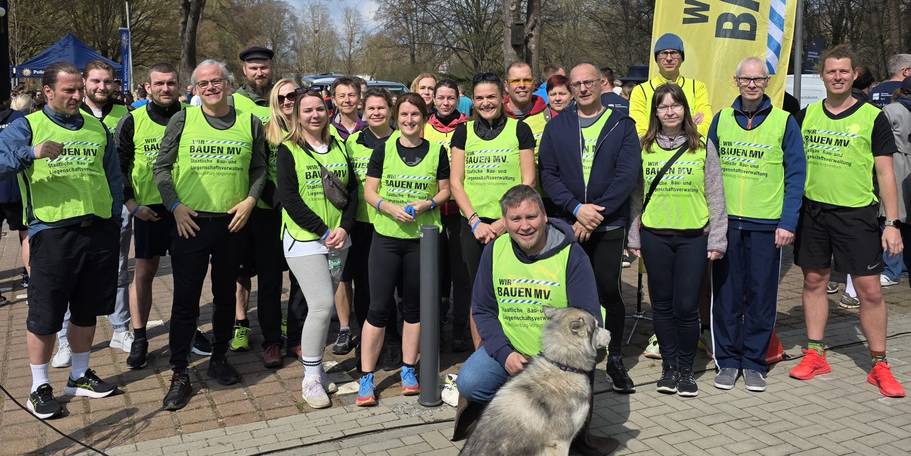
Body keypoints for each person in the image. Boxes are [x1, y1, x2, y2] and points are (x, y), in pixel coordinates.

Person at [0, 62, 124, 419]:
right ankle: (39, 386)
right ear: (48, 92)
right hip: (53, 232)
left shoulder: (97, 127)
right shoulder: (28, 125)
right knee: (46, 314)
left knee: (87, 310)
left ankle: (79, 375)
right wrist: (31, 153)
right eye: (67, 90)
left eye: (78, 90)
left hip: (97, 229)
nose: (75, 96)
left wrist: (113, 218)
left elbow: (112, 176)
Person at [453, 184, 614, 455]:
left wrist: (549, 368)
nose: (524, 226)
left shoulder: (571, 255)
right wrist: (505, 354)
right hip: (511, 350)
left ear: (544, 216)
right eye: (515, 219)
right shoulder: (495, 250)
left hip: (557, 362)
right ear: (505, 222)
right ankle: (513, 418)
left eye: (531, 217)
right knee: (470, 381)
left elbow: (589, 317)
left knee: (552, 421)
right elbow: (483, 309)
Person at [790, 45, 905, 398]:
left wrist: (892, 223)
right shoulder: (806, 115)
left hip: (857, 216)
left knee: (869, 290)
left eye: (844, 71)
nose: (837, 76)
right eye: (830, 71)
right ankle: (815, 353)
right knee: (814, 280)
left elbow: (886, 173)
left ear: (854, 74)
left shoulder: (873, 116)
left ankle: (879, 364)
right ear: (822, 76)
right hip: (814, 213)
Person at [154, 59, 267, 410]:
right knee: (185, 301)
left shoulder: (249, 122)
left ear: (229, 84)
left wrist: (250, 200)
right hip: (191, 223)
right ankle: (180, 373)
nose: (211, 88)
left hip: (232, 223)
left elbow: (260, 166)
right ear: (195, 89)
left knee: (224, 297)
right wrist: (174, 206)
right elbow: (161, 167)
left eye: (216, 81)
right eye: (203, 84)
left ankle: (219, 358)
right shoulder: (183, 119)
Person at [538, 63, 641, 393]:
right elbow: (549, 176)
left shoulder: (621, 125)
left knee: (608, 290)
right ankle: (572, 359)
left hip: (608, 224)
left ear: (601, 84)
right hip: (569, 223)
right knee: (570, 295)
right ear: (569, 88)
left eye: (589, 83)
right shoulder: (557, 127)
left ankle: (614, 359)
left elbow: (627, 175)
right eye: (577, 84)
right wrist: (577, 210)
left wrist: (596, 214)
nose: (583, 89)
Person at [708, 57, 806, 392]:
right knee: (726, 297)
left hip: (767, 225)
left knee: (762, 296)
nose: (752, 84)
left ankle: (753, 362)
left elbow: (796, 176)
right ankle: (728, 360)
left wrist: (788, 221)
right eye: (746, 79)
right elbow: (707, 173)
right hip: (726, 225)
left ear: (766, 82)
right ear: (736, 81)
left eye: (758, 79)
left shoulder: (784, 122)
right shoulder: (720, 120)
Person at [627, 83, 727, 397]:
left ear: (684, 109)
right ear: (655, 113)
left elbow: (716, 193)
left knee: (686, 306)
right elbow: (636, 196)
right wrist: (634, 235)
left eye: (676, 105)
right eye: (663, 106)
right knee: (663, 306)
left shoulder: (701, 146)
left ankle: (687, 369)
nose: (670, 111)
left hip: (693, 238)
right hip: (655, 237)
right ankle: (669, 367)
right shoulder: (645, 147)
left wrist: (717, 239)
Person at [356, 93, 450, 406]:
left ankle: (409, 369)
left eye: (415, 115)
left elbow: (446, 190)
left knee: (414, 308)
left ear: (424, 118)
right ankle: (367, 377)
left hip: (422, 240)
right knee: (378, 308)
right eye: (405, 115)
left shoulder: (437, 151)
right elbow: (369, 191)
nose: (409, 121)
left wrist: (428, 203)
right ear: (397, 117)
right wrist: (388, 207)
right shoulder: (383, 149)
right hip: (386, 237)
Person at [276, 88, 356, 408]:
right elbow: (289, 199)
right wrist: (323, 231)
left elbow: (351, 192)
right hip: (304, 239)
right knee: (323, 305)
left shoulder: (339, 144)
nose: (314, 115)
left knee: (319, 310)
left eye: (319, 110)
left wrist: (343, 228)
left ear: (327, 111)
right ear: (297, 115)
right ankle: (310, 378)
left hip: (338, 238)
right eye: (306, 110)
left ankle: (319, 369)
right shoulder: (287, 149)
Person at [51, 60, 133, 368]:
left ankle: (120, 329)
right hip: (70, 210)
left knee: (120, 269)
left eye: (107, 81)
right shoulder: (70, 114)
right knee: (67, 277)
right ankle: (63, 342)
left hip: (112, 208)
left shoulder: (125, 115)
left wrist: (127, 201)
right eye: (95, 81)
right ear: (85, 81)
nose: (102, 87)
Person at [450, 72, 536, 348]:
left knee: (511, 291)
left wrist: (503, 223)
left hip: (511, 226)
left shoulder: (519, 130)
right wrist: (475, 221)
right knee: (480, 293)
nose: (486, 103)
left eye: (491, 97)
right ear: (472, 101)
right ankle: (482, 355)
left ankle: (514, 349)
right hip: (474, 226)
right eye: (479, 98)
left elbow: (529, 181)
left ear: (503, 98)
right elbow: (455, 182)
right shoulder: (462, 132)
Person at [117, 63, 186, 369]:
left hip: (185, 207)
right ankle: (140, 336)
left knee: (188, 274)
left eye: (171, 83)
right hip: (149, 210)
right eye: (159, 84)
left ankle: (188, 329)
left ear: (179, 85)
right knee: (144, 273)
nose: (165, 89)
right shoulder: (133, 120)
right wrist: (131, 204)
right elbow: (118, 166)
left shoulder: (192, 118)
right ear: (147, 87)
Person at [229, 46, 285, 367]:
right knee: (241, 270)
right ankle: (240, 323)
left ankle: (274, 330)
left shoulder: (282, 101)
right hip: (244, 200)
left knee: (273, 271)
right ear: (244, 72)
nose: (259, 73)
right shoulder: (236, 102)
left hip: (277, 201)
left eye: (264, 67)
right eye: (253, 68)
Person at [341, 89, 396, 361]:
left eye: (381, 108)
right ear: (364, 111)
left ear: (390, 110)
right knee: (364, 286)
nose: (376, 113)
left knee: (391, 286)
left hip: (391, 224)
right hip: (362, 224)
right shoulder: (352, 142)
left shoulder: (400, 139)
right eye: (371, 108)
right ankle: (367, 341)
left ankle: (392, 341)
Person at [424, 80, 471, 351]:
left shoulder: (468, 126)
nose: (445, 103)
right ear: (433, 99)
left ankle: (460, 325)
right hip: (431, 212)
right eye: (440, 97)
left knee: (460, 271)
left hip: (459, 210)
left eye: (450, 98)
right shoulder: (425, 127)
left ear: (457, 99)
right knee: (435, 270)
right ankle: (436, 321)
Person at [629, 33, 713, 138]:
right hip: (653, 151)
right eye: (664, 53)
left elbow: (706, 126)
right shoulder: (640, 91)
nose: (669, 58)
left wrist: (658, 129)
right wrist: (689, 126)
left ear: (682, 58)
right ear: (656, 58)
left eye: (674, 53)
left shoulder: (697, 87)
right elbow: (640, 131)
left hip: (690, 150)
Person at [880, 77, 911, 286]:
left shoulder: (891, 110)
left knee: (892, 217)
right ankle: (905, 266)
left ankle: (891, 269)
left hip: (895, 163)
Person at [0, 95, 29, 306]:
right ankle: (34, 282)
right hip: (15, 187)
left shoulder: (21, 119)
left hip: (10, 185)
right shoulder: (21, 119)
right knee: (27, 235)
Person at [503, 62, 548, 149]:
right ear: (506, 86)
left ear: (534, 84)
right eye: (515, 81)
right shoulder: (497, 117)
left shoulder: (549, 117)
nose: (522, 85)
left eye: (527, 80)